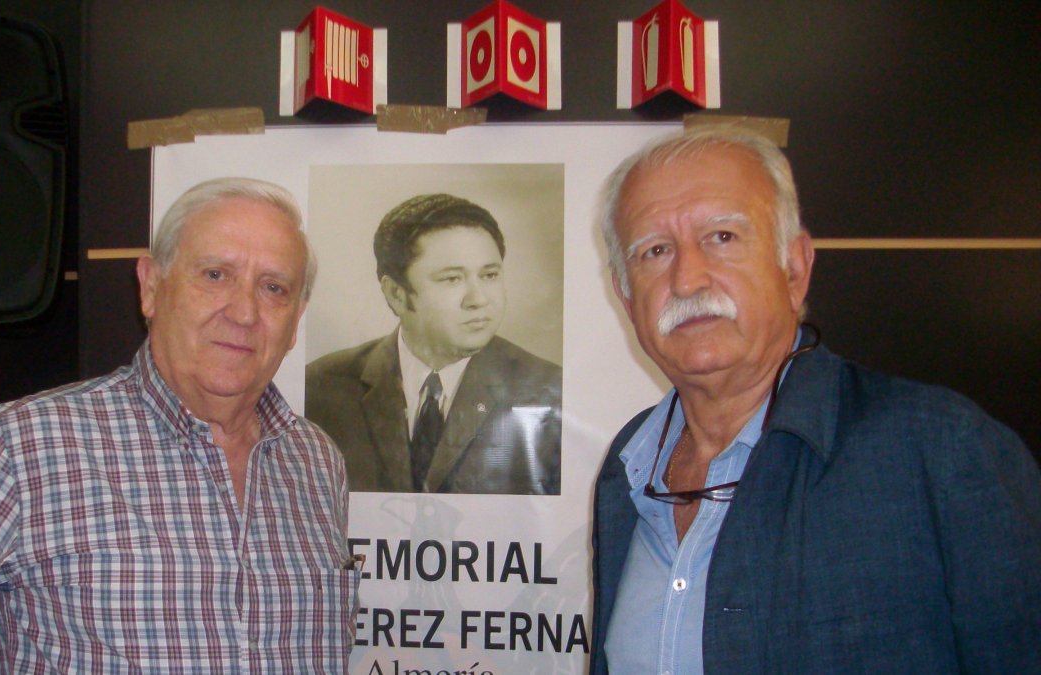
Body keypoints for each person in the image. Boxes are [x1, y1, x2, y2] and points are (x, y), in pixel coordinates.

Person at [0, 178, 360, 672]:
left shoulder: (316, 461)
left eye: (274, 288)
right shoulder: (20, 449)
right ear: (151, 287)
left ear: (296, 321)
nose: (244, 311)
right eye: (215, 275)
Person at [590, 127, 1041, 673]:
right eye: (656, 251)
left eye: (722, 237)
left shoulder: (938, 450)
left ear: (795, 267)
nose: (687, 278)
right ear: (625, 294)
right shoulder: (628, 470)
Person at [306, 193, 561, 495]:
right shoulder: (322, 388)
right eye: (452, 279)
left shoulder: (548, 389)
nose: (479, 300)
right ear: (397, 295)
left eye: (490, 275)